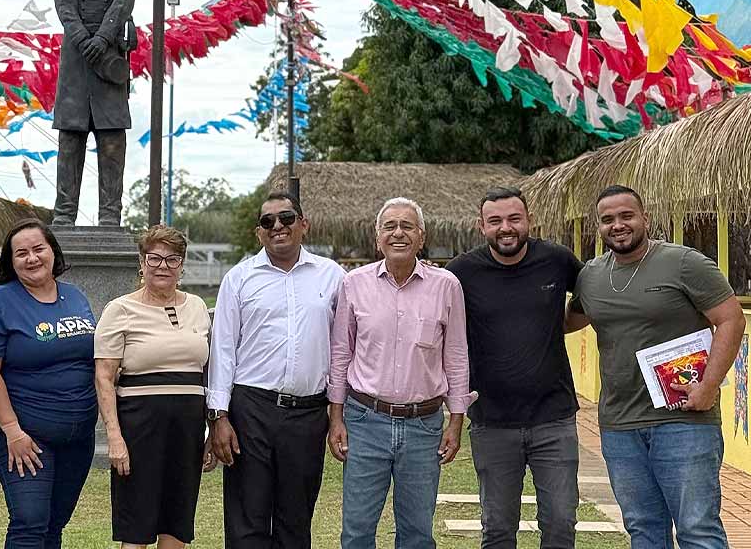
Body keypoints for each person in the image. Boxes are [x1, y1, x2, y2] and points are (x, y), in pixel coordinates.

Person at [567, 185, 745, 548]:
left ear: (645, 218)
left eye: (626, 216)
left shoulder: (684, 263)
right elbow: (568, 321)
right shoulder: (591, 275)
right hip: (620, 426)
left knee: (697, 529)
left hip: (684, 421)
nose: (618, 225)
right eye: (607, 219)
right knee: (643, 529)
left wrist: (709, 387)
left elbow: (731, 319)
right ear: (598, 227)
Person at [328, 197, 472, 549]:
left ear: (422, 237)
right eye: (389, 226)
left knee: (417, 534)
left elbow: (456, 355)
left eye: (407, 226)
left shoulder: (447, 285)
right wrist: (336, 418)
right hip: (364, 421)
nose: (398, 233)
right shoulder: (354, 283)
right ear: (377, 237)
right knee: (357, 531)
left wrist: (456, 421)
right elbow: (341, 353)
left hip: (423, 426)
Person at [207, 191, 345, 548]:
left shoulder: (332, 276)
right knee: (247, 518)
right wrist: (219, 416)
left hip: (308, 413)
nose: (277, 226)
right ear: (259, 232)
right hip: (251, 410)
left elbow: (345, 344)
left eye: (286, 218)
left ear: (303, 224)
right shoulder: (239, 279)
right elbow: (223, 349)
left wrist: (337, 411)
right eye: (267, 221)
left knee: (296, 519)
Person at [446, 187, 582, 549]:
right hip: (491, 422)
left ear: (529, 221)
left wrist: (557, 324)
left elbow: (591, 298)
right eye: (495, 221)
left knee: (560, 523)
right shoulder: (460, 272)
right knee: (497, 528)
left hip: (554, 418)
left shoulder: (557, 259)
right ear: (481, 226)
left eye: (514, 219)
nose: (505, 228)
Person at [0, 218, 98, 548]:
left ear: (53, 251)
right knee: (30, 522)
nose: (31, 258)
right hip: (26, 436)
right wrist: (12, 431)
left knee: (55, 523)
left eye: (38, 249)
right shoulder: (0, 301)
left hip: (79, 438)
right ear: (11, 261)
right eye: (21, 253)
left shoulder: (75, 296)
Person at [94, 225, 215, 549]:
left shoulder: (198, 307)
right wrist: (114, 438)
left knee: (177, 523)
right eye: (155, 258)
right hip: (139, 428)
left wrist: (211, 430)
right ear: (142, 262)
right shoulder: (119, 309)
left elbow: (207, 373)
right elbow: (104, 377)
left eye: (172, 259)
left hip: (188, 429)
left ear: (182, 264)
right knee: (137, 524)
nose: (163, 266)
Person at [51, 0, 138, 225]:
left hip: (109, 60)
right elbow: (65, 6)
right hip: (75, 64)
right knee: (70, 140)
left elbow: (122, 3)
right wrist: (82, 38)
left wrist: (101, 39)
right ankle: (64, 214)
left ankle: (110, 216)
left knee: (112, 140)